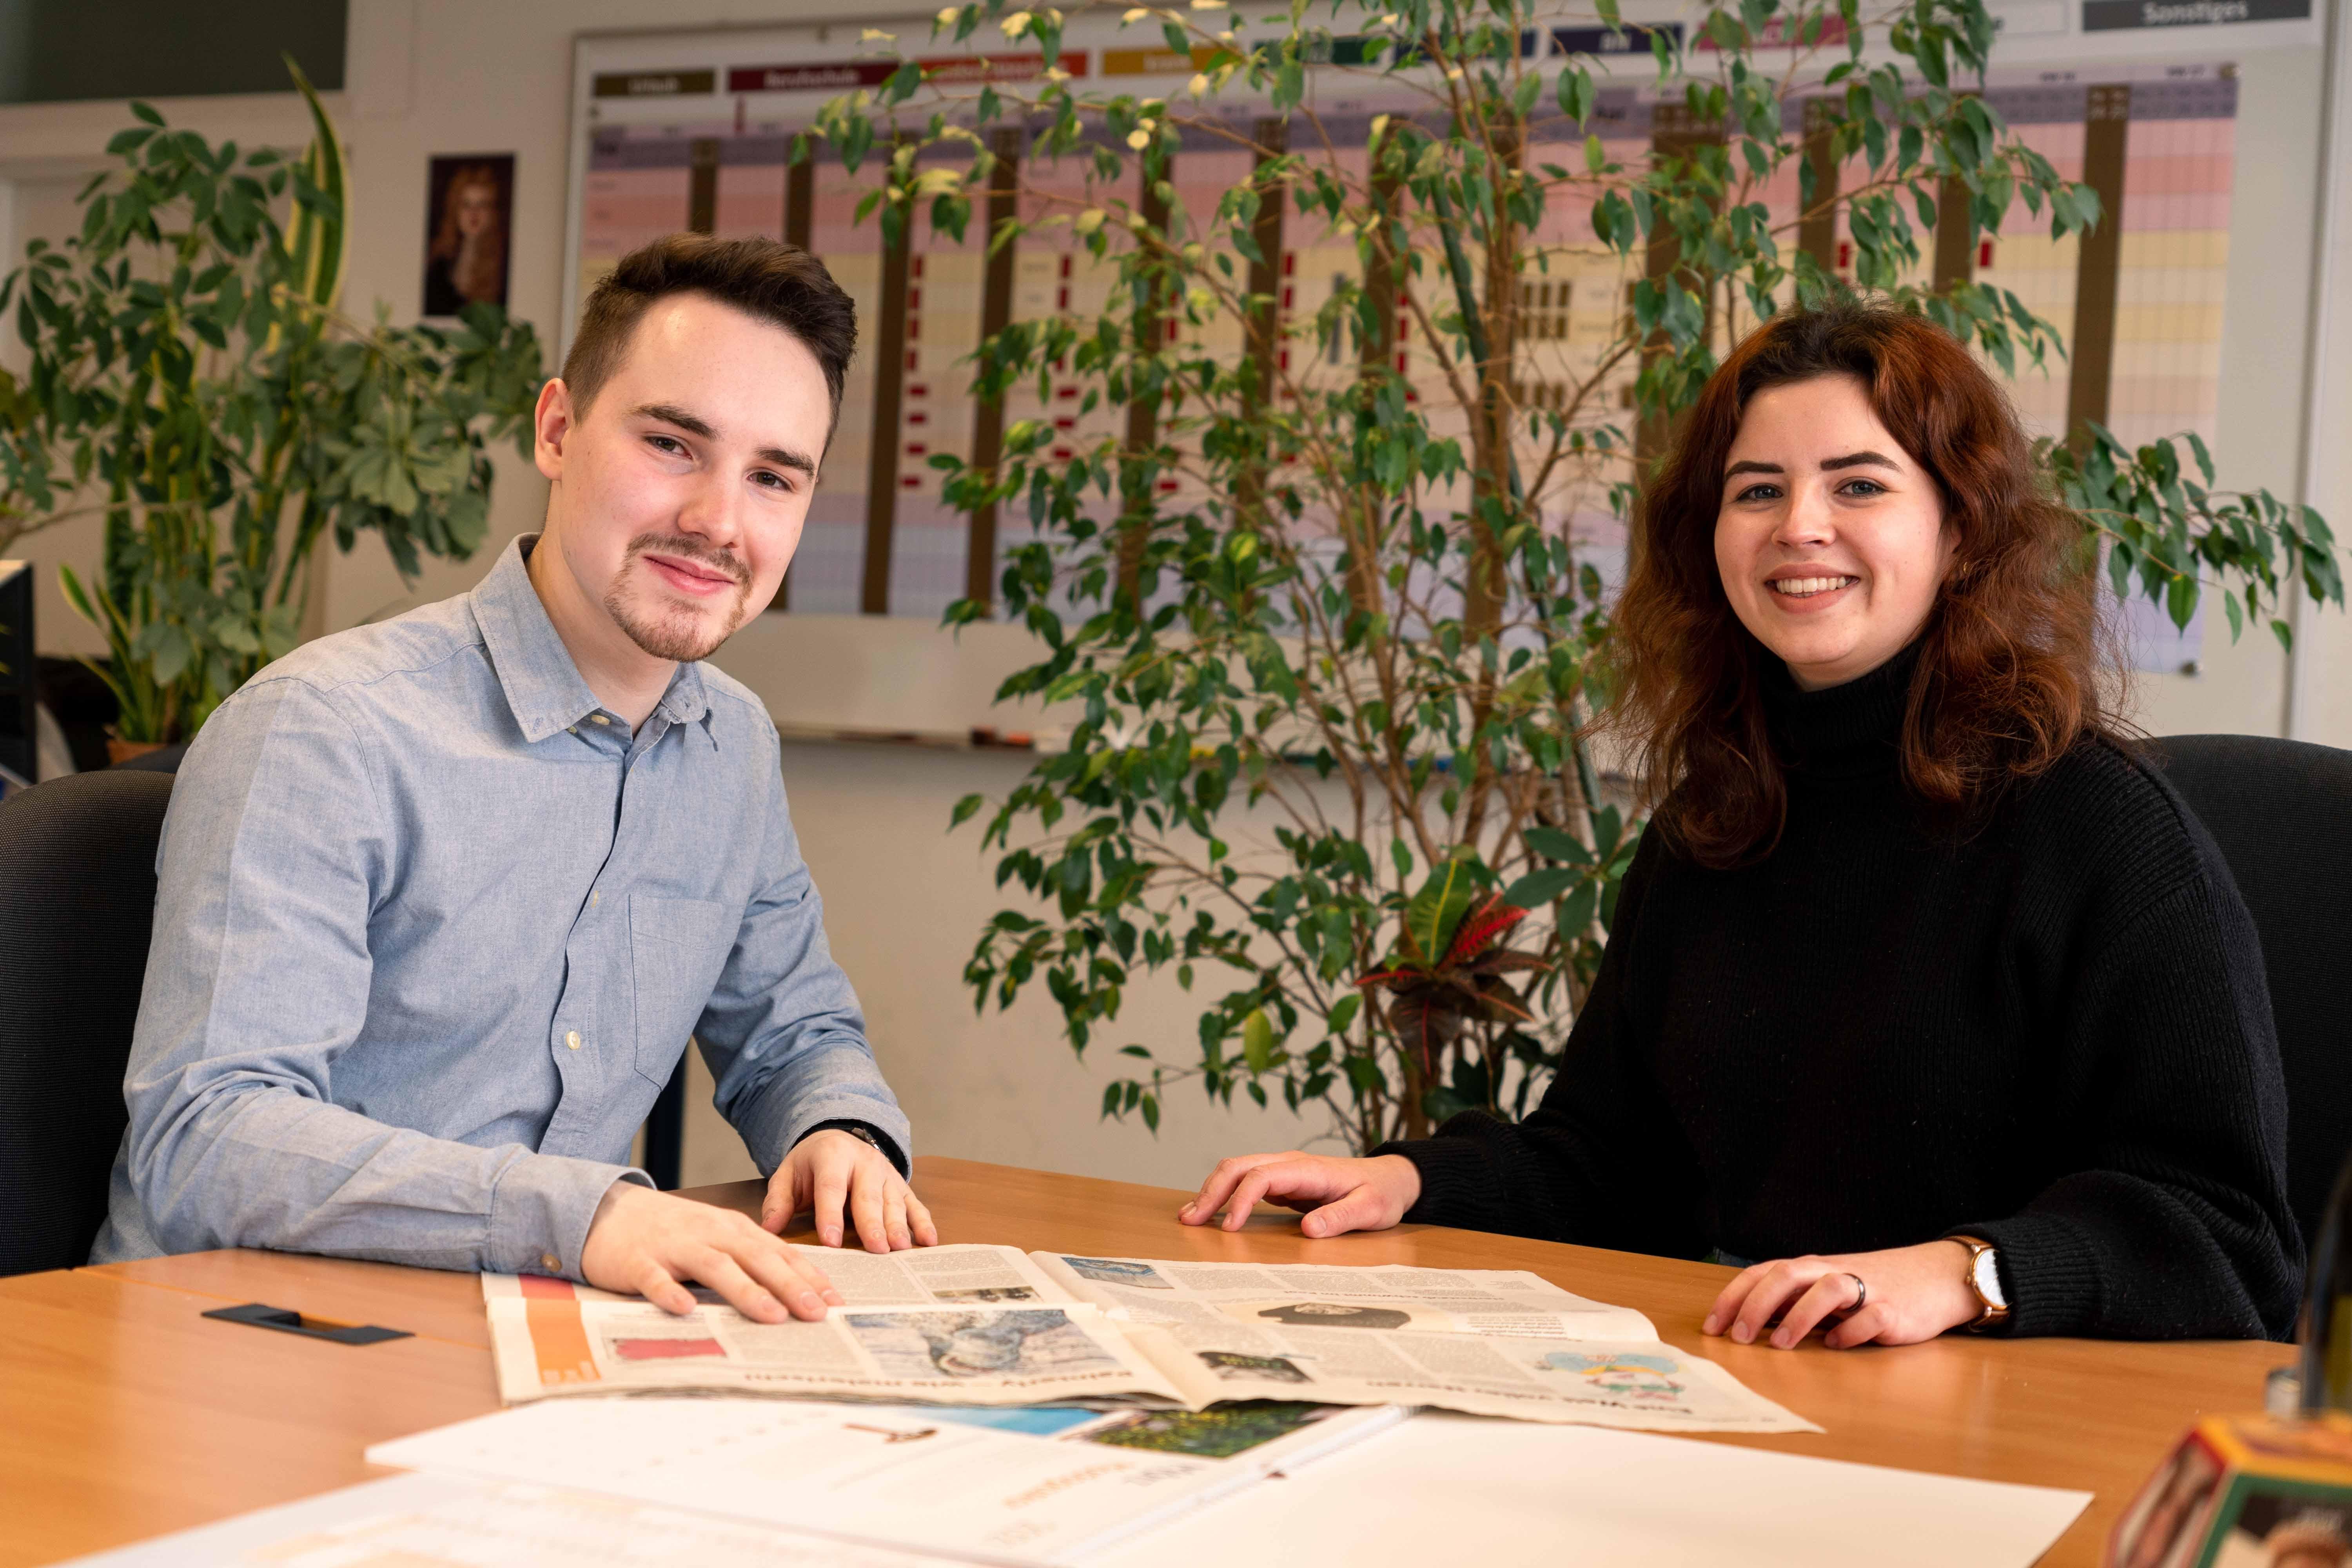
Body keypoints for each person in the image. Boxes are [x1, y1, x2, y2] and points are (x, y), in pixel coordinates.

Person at [1178, 300, 2301, 1347]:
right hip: (1761, 1365)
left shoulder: (2101, 828)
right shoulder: (1717, 814)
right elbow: (1616, 1166)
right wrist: (1413, 1180)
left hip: (2005, 1408)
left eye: (1859, 485)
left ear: (1960, 531)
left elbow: (2228, 1240)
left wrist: (1962, 1272)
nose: (1799, 527)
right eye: (1757, 490)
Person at [94, 234, 938, 1324]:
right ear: (556, 429)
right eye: (673, 445)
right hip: (238, 1345)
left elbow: (793, 1031)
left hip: (520, 1335)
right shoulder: (327, 729)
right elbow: (208, 1137)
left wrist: (838, 1126)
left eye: (773, 477)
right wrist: (582, 1218)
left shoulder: (731, 746)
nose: (719, 522)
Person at [423, 162, 508, 316]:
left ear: (493, 212)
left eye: (482, 205)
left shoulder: (505, 263)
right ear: (455, 210)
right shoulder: (438, 259)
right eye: (466, 205)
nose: (473, 213)